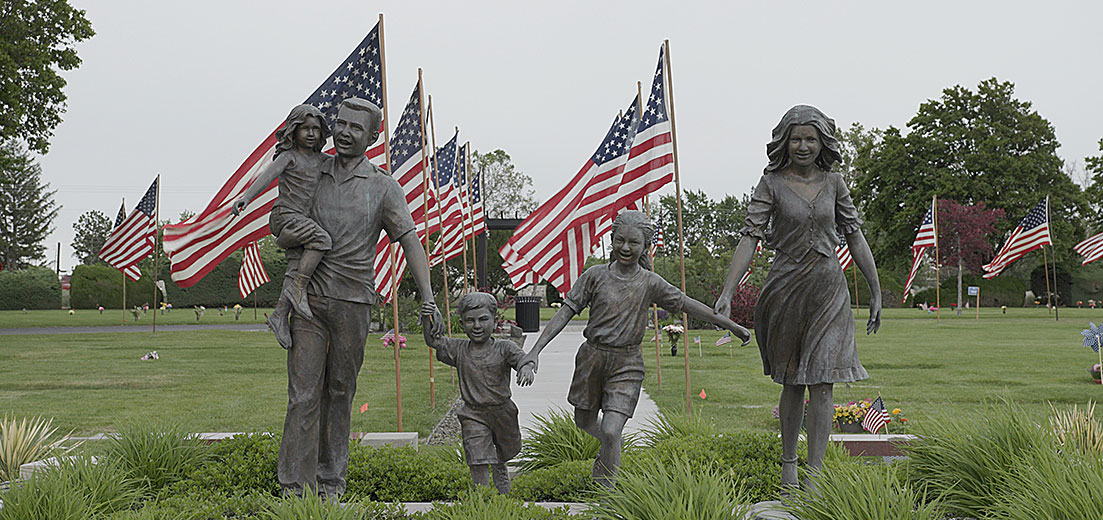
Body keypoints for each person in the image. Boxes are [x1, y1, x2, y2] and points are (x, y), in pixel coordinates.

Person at [272, 97, 444, 498]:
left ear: (373, 136)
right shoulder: (311, 170)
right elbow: (283, 219)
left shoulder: (383, 186)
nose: (345, 133)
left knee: (340, 392)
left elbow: (410, 241)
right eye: (341, 124)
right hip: (308, 301)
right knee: (303, 395)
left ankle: (331, 481)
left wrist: (428, 298)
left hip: (353, 303)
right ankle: (295, 487)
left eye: (356, 128)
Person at [714, 105, 881, 493]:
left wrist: (874, 290)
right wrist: (728, 291)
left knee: (823, 381)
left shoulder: (835, 183)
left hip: (828, 291)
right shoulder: (771, 183)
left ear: (823, 143)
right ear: (784, 143)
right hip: (786, 291)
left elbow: (855, 236)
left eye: (810, 139)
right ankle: (789, 464)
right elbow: (750, 237)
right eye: (796, 139)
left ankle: (816, 474)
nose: (803, 146)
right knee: (792, 381)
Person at [521, 210, 751, 487]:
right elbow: (565, 312)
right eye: (620, 240)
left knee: (611, 429)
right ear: (612, 240)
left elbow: (687, 304)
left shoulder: (650, 282)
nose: (626, 248)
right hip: (591, 358)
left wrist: (730, 325)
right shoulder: (595, 276)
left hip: (627, 363)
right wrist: (534, 351)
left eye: (634, 242)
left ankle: (607, 493)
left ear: (645, 247)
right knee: (584, 421)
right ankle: (611, 448)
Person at [232, 104, 332, 349]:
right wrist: (246, 197)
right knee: (322, 240)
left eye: (316, 129)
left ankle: (279, 315)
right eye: (305, 128)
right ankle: (298, 288)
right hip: (285, 216)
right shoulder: (289, 157)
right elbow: (267, 176)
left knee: (296, 265)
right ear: (294, 131)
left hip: (304, 221)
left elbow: (349, 167)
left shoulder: (324, 161)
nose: (311, 133)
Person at [424, 292, 535, 494]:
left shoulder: (504, 348)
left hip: (503, 412)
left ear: (495, 321)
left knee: (508, 449)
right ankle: (482, 499)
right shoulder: (458, 349)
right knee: (477, 457)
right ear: (462, 323)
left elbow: (523, 360)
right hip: (473, 414)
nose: (476, 326)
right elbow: (433, 340)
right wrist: (428, 315)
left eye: (483, 319)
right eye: (470, 320)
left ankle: (500, 465)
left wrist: (526, 368)